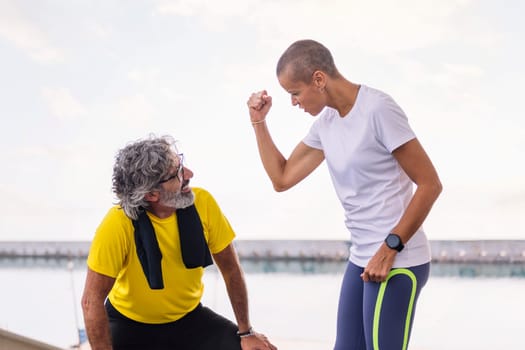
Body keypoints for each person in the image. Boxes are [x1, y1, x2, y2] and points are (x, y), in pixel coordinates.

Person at [247, 39, 442, 350]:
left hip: (399, 257)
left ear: (319, 79)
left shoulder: (378, 109)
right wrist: (258, 122)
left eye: (295, 93)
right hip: (361, 256)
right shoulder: (326, 123)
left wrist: (389, 248)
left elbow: (430, 184)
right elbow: (281, 178)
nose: (294, 102)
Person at [81, 135, 277, 350]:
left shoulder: (203, 203)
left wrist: (246, 332)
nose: (189, 175)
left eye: (181, 165)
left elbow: (231, 269)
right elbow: (91, 301)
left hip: (189, 320)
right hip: (129, 325)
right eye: (177, 174)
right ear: (152, 194)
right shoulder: (118, 223)